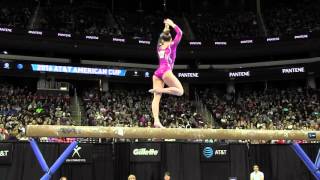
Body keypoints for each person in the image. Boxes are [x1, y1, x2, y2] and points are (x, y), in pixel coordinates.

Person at [149, 18, 183, 128]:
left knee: (156, 98)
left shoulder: (159, 47)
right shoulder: (171, 46)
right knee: (180, 92)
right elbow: (180, 33)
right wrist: (172, 24)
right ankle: (161, 90)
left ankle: (156, 121)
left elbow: (162, 36)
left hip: (157, 72)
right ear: (171, 39)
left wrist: (166, 28)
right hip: (166, 71)